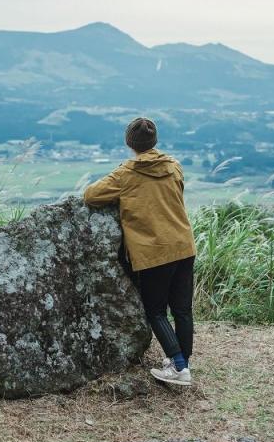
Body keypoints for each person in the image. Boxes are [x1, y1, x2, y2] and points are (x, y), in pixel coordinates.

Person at [82, 117, 197, 386]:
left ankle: (179, 368)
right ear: (154, 141)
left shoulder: (126, 174)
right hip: (183, 244)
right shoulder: (173, 166)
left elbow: (91, 195)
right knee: (182, 310)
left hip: (155, 251)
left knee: (155, 310)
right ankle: (182, 362)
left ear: (129, 143)